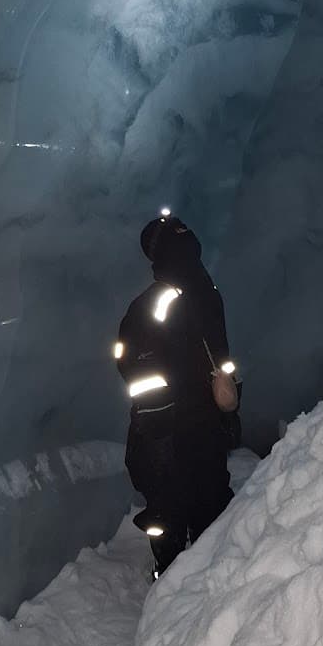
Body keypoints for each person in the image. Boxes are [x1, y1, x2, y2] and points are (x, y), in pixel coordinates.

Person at [114, 211, 237, 579]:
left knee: (173, 507)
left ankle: (174, 582)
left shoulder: (164, 300)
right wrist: (227, 410)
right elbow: (220, 358)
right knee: (201, 503)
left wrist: (156, 415)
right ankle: (197, 580)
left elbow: (129, 358)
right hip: (194, 424)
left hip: (173, 427)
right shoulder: (204, 294)